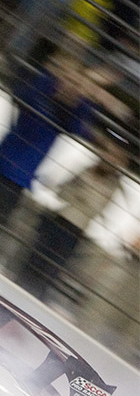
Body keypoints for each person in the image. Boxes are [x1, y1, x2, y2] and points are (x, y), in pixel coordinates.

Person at [0, 41, 97, 254]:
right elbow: (27, 92)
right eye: (66, 78)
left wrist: (85, 94)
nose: (70, 85)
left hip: (18, 183)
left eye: (76, 83)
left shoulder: (68, 117)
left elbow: (81, 123)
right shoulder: (39, 94)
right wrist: (52, 74)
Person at [15, 108, 136, 299]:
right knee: (32, 260)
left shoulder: (113, 185)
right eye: (108, 153)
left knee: (48, 271)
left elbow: (94, 206)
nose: (109, 158)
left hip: (75, 231)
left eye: (115, 157)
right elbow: (63, 191)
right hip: (58, 219)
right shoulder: (87, 169)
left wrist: (80, 194)